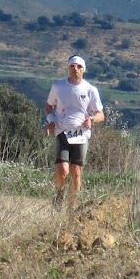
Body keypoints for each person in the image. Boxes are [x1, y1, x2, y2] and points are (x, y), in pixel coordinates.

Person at [45, 54, 104, 213]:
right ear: (68, 68)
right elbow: (49, 106)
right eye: (72, 66)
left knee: (76, 173)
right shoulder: (58, 86)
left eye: (78, 66)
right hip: (62, 131)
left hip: (81, 135)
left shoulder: (91, 90)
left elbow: (101, 114)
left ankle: (71, 208)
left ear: (83, 69)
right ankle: (59, 193)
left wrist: (92, 119)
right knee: (63, 170)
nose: (75, 69)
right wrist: (50, 120)